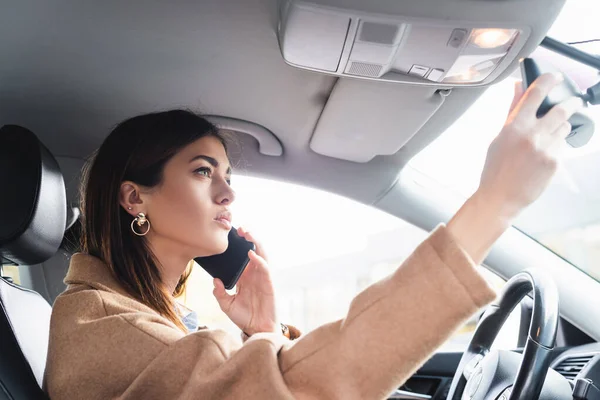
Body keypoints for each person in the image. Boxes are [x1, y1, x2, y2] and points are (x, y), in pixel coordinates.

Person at [44, 73, 582, 400]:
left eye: (228, 175)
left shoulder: (141, 317)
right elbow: (298, 390)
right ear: (134, 198)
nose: (228, 194)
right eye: (204, 171)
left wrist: (263, 331)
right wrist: (494, 203)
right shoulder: (98, 325)